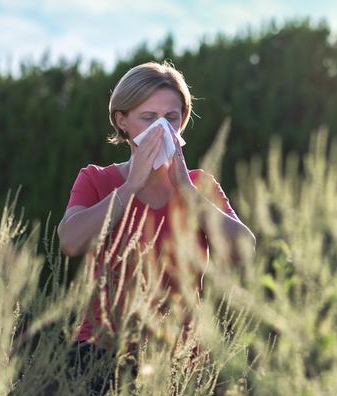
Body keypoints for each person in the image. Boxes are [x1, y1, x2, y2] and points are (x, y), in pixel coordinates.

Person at [57, 61, 256, 357]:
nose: (160, 129)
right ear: (122, 121)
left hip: (179, 357)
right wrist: (130, 187)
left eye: (170, 118)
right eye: (148, 117)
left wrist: (186, 190)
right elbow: (71, 242)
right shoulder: (96, 179)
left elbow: (244, 250)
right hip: (101, 353)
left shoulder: (200, 185)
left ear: (182, 121)